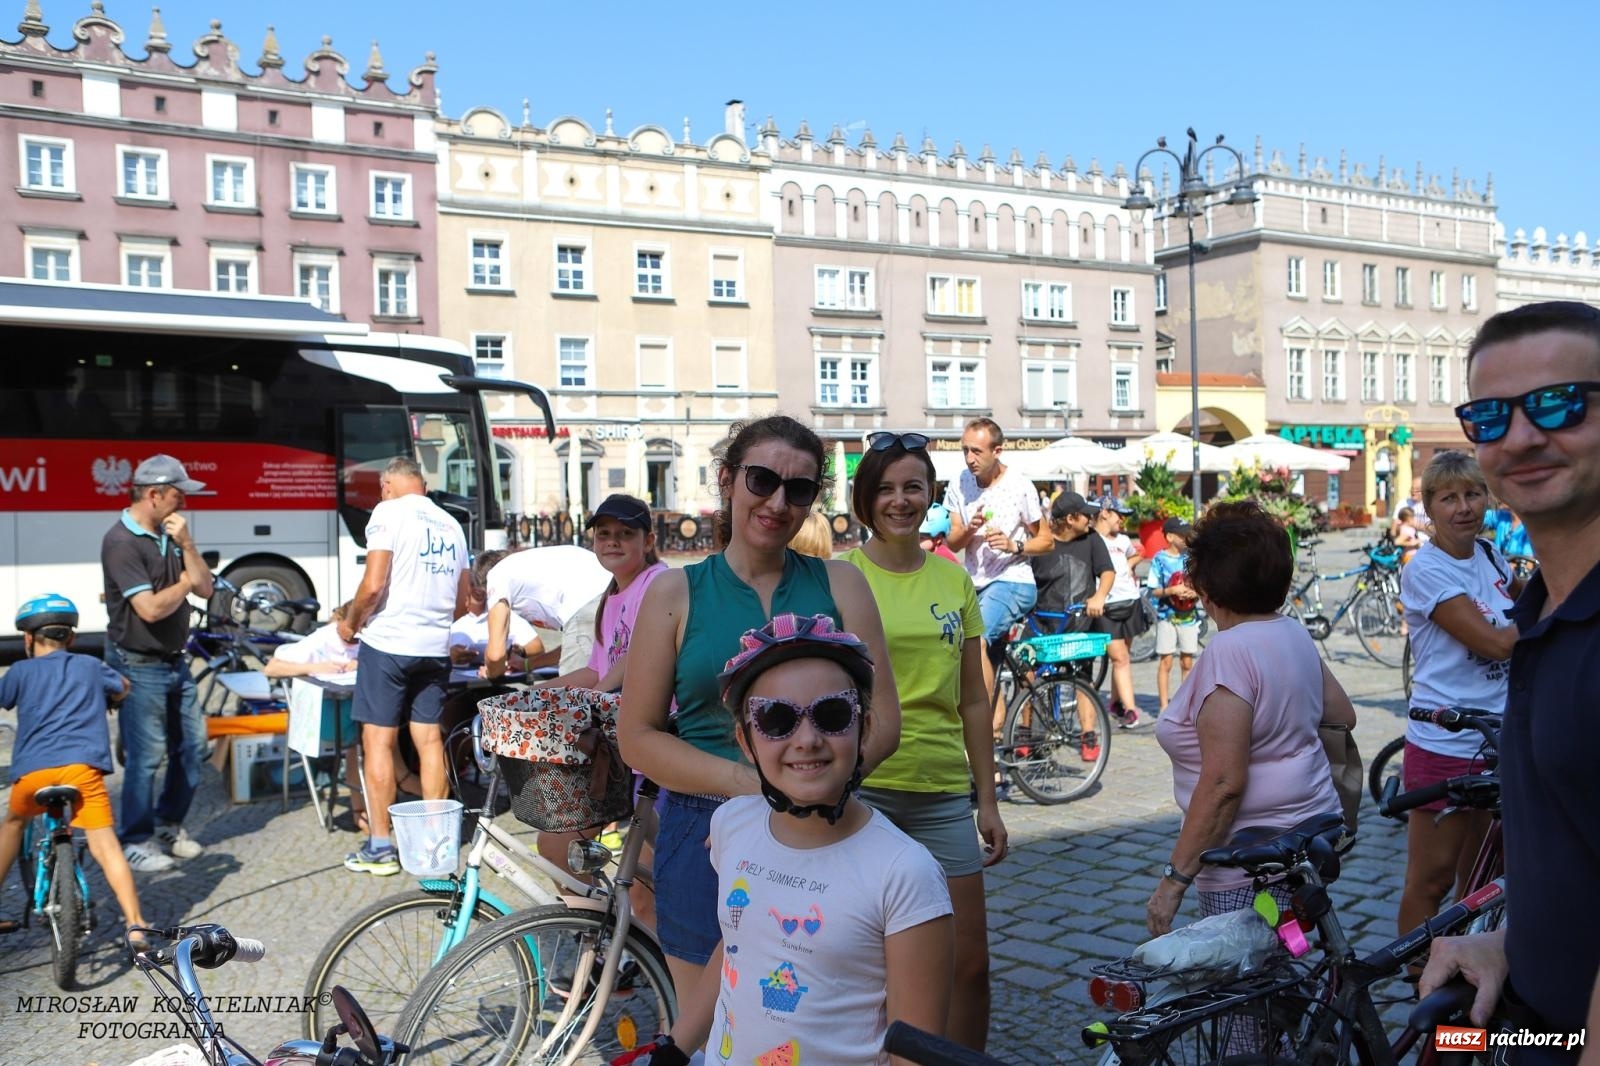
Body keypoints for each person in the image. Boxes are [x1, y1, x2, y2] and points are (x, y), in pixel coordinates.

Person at [618, 414, 900, 1001]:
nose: (778, 501)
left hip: (825, 824)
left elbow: (884, 721)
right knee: (710, 1022)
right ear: (727, 481)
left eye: (798, 490)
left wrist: (813, 791)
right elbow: (638, 736)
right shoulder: (675, 593)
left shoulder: (842, 584)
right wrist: (759, 786)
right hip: (702, 829)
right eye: (761, 480)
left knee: (819, 1012)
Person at [641, 613, 951, 1066]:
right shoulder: (732, 825)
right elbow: (735, 945)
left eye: (832, 714)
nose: (807, 739)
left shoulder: (905, 873)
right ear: (746, 743)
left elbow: (914, 1052)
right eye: (776, 719)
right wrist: (677, 1047)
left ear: (863, 729)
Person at [1419, 302, 1600, 1062]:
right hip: (1535, 1016)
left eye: (1561, 405)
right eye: (1490, 417)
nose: (1522, 436)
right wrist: (1512, 942)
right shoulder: (1542, 611)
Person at [840, 431, 1006, 1050]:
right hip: (864, 794)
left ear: (930, 494)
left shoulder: (952, 579)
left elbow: (971, 698)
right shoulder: (842, 577)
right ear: (865, 500)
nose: (899, 500)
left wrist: (985, 799)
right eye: (884, 488)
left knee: (969, 963)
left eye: (912, 486)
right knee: (871, 966)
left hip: (940, 792)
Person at [1149, 500, 1356, 934]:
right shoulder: (1292, 631)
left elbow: (1224, 784)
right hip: (1309, 835)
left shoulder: (1230, 651)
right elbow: (1341, 716)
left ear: (1208, 588)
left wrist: (1173, 881)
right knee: (1291, 965)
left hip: (1249, 856)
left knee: (1250, 991)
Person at [1397, 451, 1522, 946]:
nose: (1463, 507)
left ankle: (1464, 988)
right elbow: (1492, 641)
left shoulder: (1490, 554)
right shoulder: (1425, 569)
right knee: (1432, 879)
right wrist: (1549, 619)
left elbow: (1528, 599)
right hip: (1445, 740)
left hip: (1499, 735)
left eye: (1472, 494)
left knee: (1481, 883)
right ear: (1430, 507)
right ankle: (1419, 988)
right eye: (1449, 498)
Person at [337, 456, 471, 876]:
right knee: (429, 742)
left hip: (389, 642)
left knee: (378, 742)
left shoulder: (387, 511)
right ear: (424, 484)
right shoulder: (452, 524)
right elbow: (463, 601)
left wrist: (350, 623)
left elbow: (374, 584)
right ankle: (435, 841)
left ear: (387, 485)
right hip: (433, 645)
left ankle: (379, 846)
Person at [0, 595, 152, 948]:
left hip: (32, 774)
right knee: (105, 843)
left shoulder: (20, 671)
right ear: (71, 639)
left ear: (28, 639)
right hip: (83, 772)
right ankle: (137, 923)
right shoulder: (89, 665)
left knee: (11, 825)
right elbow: (124, 687)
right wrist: (112, 699)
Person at [100, 453, 215, 872]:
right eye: (178, 495)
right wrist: (185, 580)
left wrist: (187, 545)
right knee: (146, 755)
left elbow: (205, 588)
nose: (183, 503)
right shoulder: (121, 542)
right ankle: (135, 839)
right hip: (137, 662)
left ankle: (168, 825)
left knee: (193, 747)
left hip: (174, 659)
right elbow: (148, 609)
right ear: (154, 494)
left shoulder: (172, 534)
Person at [941, 418, 1050, 702]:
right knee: (975, 654)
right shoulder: (959, 483)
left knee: (973, 642)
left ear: (997, 451)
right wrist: (970, 529)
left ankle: (975, 726)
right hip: (975, 583)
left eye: (976, 451)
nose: (969, 458)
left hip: (1012, 581)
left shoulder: (1020, 485)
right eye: (965, 450)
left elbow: (1047, 541)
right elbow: (953, 542)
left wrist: (1016, 545)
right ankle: (994, 734)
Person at [1029, 492, 1114, 762]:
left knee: (1082, 678)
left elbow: (1107, 571)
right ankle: (1023, 729)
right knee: (1026, 674)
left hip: (1079, 623)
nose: (1092, 519)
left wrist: (1099, 596)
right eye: (1085, 515)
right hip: (1042, 621)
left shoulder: (1091, 539)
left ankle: (1088, 734)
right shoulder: (1042, 542)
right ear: (1069, 519)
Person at [479, 545, 612, 681]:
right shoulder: (531, 566)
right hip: (618, 591)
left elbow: (495, 655)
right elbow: (573, 643)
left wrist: (491, 671)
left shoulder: (497, 574)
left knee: (574, 695)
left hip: (593, 601)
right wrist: (527, 664)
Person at [1093, 495, 1150, 729]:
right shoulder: (1091, 540)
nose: (1123, 520)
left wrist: (1131, 564)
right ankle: (1130, 709)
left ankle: (1115, 703)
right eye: (1120, 515)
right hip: (1106, 606)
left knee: (1123, 655)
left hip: (1130, 602)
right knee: (1120, 658)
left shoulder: (1123, 539)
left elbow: (1139, 551)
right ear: (1104, 512)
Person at [448, 551, 538, 670]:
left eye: (480, 582)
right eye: (472, 583)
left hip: (495, 683)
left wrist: (519, 651)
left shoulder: (500, 611)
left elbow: (537, 646)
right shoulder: (448, 618)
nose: (478, 588)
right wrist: (450, 656)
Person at [1147, 519, 1201, 715]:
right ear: (1169, 537)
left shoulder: (1192, 558)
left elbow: (1200, 585)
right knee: (1166, 661)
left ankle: (1186, 705)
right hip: (1166, 617)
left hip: (1189, 617)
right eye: (1182, 535)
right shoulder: (1159, 559)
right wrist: (1172, 590)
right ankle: (1164, 706)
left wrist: (1194, 593)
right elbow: (1152, 590)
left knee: (1187, 661)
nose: (1186, 539)